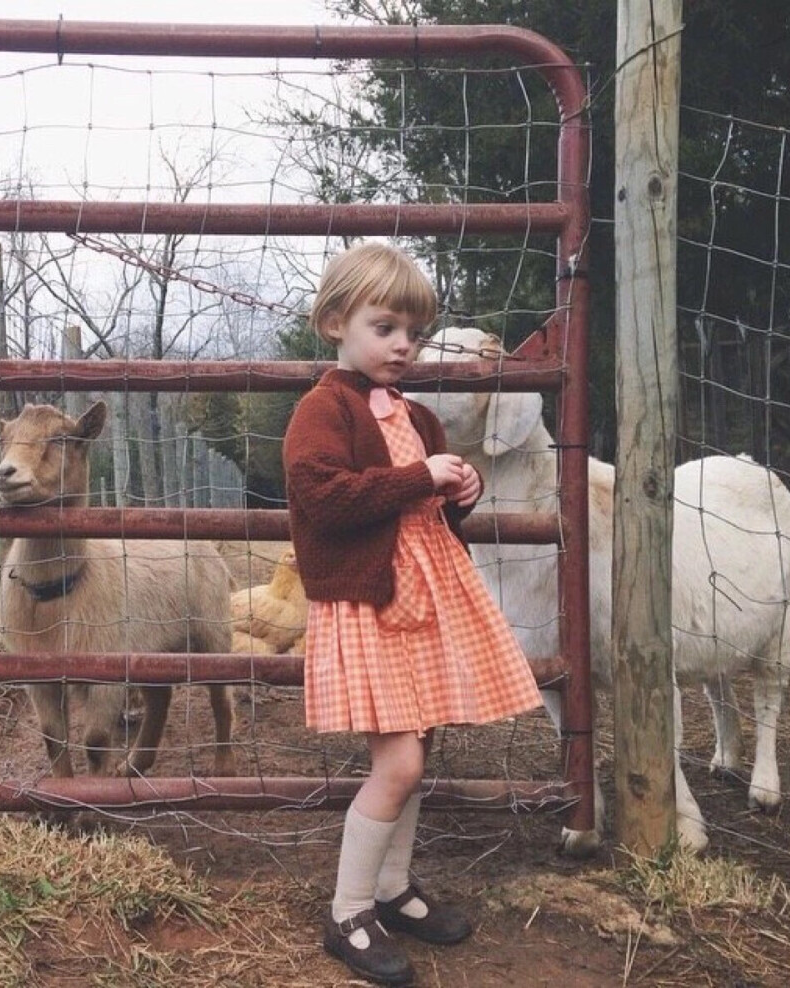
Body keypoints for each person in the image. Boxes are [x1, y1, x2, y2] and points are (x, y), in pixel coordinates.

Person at [283, 242, 543, 987]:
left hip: (424, 603)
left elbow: (426, 512)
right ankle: (349, 910)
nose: (403, 345)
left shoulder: (418, 416)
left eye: (414, 332)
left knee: (417, 753)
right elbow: (322, 497)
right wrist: (414, 479)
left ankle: (392, 891)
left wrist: (458, 491)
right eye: (385, 327)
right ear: (337, 322)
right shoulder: (322, 409)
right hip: (368, 604)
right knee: (397, 762)